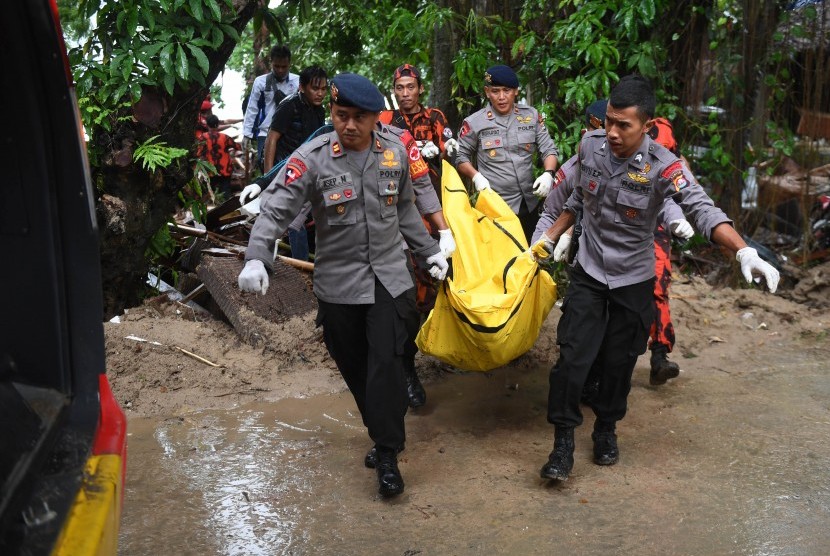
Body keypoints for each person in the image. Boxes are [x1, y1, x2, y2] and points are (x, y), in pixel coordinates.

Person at [532, 75, 779, 482]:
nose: (611, 132)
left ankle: (606, 429)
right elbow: (577, 198)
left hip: (633, 277)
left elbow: (702, 209)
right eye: (608, 120)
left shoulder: (665, 167)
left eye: (622, 125)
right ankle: (562, 444)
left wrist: (743, 250)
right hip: (590, 272)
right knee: (572, 361)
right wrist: (552, 236)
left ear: (646, 127)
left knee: (619, 362)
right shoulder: (589, 146)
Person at [237, 73, 449, 498]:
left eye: (359, 117)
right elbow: (276, 208)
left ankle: (388, 453)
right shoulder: (314, 157)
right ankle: (381, 430)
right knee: (356, 369)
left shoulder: (394, 152)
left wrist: (429, 252)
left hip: (391, 278)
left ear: (375, 118)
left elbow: (405, 209)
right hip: (338, 286)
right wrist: (257, 255)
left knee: (387, 363)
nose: (348, 125)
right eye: (340, 115)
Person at [533, 101, 693, 391]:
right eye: (604, 129)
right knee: (583, 327)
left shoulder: (651, 157)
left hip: (637, 251)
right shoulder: (579, 163)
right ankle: (581, 386)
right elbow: (556, 209)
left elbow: (675, 188)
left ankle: (653, 356)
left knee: (644, 301)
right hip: (589, 258)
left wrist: (678, 219)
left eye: (620, 128)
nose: (611, 138)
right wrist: (546, 244)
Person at [379, 63, 458, 408]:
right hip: (393, 213)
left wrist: (442, 150)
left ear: (420, 89)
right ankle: (404, 366)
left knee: (438, 280)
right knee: (403, 292)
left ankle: (445, 347)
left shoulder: (436, 118)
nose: (406, 93)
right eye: (400, 88)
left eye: (411, 87)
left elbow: (451, 156)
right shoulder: (384, 122)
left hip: (435, 210)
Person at [454, 64, 560, 243]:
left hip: (530, 203)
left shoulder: (531, 115)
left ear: (516, 91)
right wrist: (476, 176)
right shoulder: (474, 122)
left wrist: (549, 174)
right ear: (487, 92)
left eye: (507, 90)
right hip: (496, 206)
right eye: (495, 91)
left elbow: (548, 149)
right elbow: (460, 157)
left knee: (531, 255)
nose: (501, 97)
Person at [259, 65, 329, 261]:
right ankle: (300, 264)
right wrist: (268, 179)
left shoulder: (319, 110)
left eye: (324, 89)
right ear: (302, 87)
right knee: (294, 216)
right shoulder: (289, 106)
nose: (320, 93)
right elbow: (271, 139)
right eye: (315, 88)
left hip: (307, 169)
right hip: (285, 168)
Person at [241, 45, 300, 171]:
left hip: (290, 133)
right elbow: (252, 108)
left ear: (289, 63)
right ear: (271, 63)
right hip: (265, 132)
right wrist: (247, 134)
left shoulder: (298, 82)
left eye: (283, 67)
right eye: (276, 66)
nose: (280, 70)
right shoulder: (260, 82)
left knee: (291, 169)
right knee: (267, 168)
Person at [196, 114, 239, 198]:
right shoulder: (225, 137)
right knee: (226, 191)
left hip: (211, 169)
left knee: (212, 192)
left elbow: (199, 153)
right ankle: (228, 207)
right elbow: (237, 146)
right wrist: (231, 152)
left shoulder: (203, 137)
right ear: (218, 125)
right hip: (225, 168)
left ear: (207, 125)